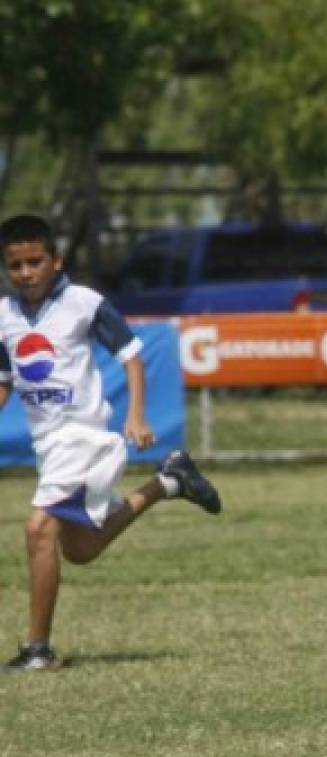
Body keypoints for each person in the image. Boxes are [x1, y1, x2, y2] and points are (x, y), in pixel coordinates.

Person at [0, 214, 222, 672]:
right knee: (79, 549)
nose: (25, 273)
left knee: (38, 529)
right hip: (51, 446)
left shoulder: (83, 302)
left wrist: (136, 414)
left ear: (56, 261)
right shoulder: (4, 317)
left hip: (83, 437)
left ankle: (38, 650)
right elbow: (5, 379)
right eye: (15, 265)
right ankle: (169, 482)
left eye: (34, 262)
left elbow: (132, 354)